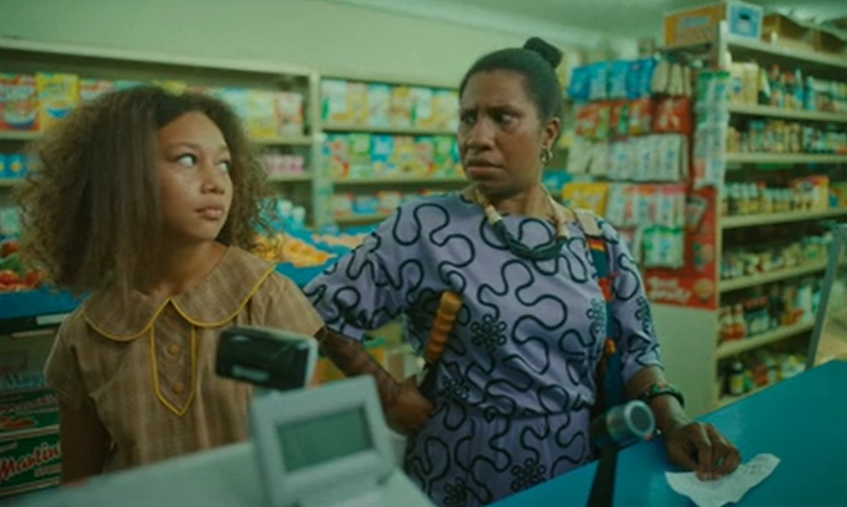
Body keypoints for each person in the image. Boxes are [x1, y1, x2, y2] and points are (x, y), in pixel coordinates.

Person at [305, 38, 740, 507]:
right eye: (468, 117)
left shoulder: (596, 241)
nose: (477, 137)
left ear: (548, 133)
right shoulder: (425, 227)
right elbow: (321, 310)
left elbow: (637, 351)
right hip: (458, 470)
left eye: (502, 117)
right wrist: (388, 394)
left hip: (578, 466)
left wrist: (673, 422)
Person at [20, 86, 323, 483]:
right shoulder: (86, 334)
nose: (216, 182)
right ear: (122, 176)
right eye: (187, 159)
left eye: (225, 165)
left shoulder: (268, 299)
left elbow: (313, 463)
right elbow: (79, 485)